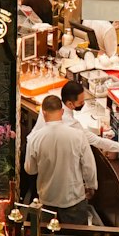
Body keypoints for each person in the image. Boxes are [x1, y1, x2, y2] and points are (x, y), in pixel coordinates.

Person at [23, 94, 97, 225]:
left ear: (43, 113)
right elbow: (89, 166)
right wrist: (91, 185)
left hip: (47, 199)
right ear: (62, 111)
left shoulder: (34, 139)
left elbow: (30, 170)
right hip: (73, 198)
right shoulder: (77, 135)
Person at [34, 76, 119, 159]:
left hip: (34, 149)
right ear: (70, 104)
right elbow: (96, 140)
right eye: (81, 102)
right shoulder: (69, 123)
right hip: (40, 157)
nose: (84, 104)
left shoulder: (52, 104)